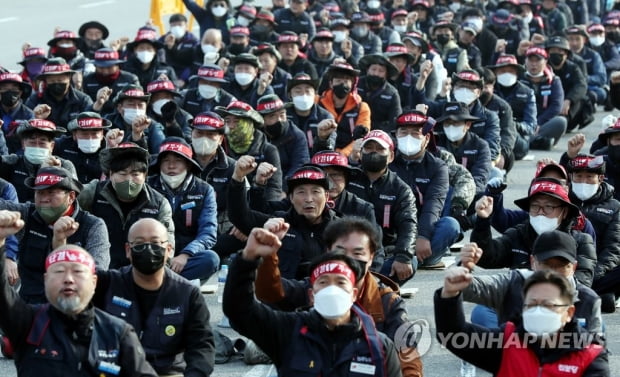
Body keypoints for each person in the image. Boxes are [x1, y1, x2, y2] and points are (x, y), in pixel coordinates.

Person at [254, 216, 422, 377]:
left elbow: (408, 359)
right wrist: (268, 254)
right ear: (328, 252)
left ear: (371, 257)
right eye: (340, 252)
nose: (348, 260)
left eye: (358, 253)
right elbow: (269, 292)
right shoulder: (314, 288)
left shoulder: (388, 302)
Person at [224, 233, 403, 377]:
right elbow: (239, 310)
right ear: (312, 294)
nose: (332, 289)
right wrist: (248, 259)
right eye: (323, 282)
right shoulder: (288, 330)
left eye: (341, 282)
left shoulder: (378, 346)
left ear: (353, 294)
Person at [0, 222, 158, 377]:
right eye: (60, 271)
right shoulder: (29, 323)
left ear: (94, 282)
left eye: (77, 272)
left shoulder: (117, 333)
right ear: (46, 280)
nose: (68, 279)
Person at [93, 218, 215, 376]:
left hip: (167, 372)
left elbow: (202, 345)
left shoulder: (187, 293)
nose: (148, 249)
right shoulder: (107, 284)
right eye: (139, 243)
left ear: (169, 249)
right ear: (128, 250)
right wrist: (60, 242)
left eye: (155, 242)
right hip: (117, 371)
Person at [435, 268, 608, 376]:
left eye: (548, 305)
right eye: (531, 304)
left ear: (569, 312)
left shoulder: (590, 355)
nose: (538, 311)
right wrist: (449, 294)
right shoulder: (507, 342)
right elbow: (453, 335)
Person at [0, 166, 110, 304]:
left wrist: (61, 243)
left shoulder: (93, 226)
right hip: (27, 308)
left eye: (51, 192)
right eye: (39, 193)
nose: (44, 199)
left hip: (71, 307)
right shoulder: (27, 214)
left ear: (71, 197)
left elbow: (96, 274)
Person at [460, 230, 603, 335]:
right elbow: (465, 289)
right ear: (533, 262)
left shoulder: (588, 299)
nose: (553, 272)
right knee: (481, 313)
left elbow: (597, 357)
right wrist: (463, 268)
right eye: (546, 264)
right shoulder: (513, 282)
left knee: (600, 328)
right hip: (518, 358)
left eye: (561, 265)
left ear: (574, 267)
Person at [471, 177, 597, 287]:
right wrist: (483, 220)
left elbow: (583, 283)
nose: (540, 212)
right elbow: (487, 258)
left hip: (562, 305)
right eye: (535, 206)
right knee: (482, 312)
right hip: (519, 303)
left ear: (564, 212)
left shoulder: (581, 241)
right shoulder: (518, 234)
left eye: (548, 207)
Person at [228, 164, 338, 279]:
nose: (309, 199)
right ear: (291, 198)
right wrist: (238, 178)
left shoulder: (340, 229)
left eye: (315, 192)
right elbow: (240, 216)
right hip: (282, 293)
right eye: (301, 192)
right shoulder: (278, 224)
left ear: (326, 196)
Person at [78, 142, 175, 269]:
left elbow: (167, 244)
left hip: (140, 270)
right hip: (98, 267)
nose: (129, 180)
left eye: (135, 174)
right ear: (111, 174)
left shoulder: (159, 203)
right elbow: (68, 199)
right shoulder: (93, 192)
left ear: (145, 176)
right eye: (123, 174)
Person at [389, 110, 461, 269]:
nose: (409, 137)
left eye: (416, 133)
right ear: (396, 135)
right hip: (391, 229)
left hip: (422, 228)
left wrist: (423, 235)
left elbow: (433, 205)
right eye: (404, 132)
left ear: (427, 138)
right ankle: (400, 257)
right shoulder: (387, 159)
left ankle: (419, 258)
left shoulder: (437, 166)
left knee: (450, 225)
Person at [348, 130, 418, 284]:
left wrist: (403, 256)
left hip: (385, 252)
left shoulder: (401, 189)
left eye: (380, 149)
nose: (374, 153)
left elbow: (408, 224)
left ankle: (374, 290)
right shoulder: (348, 177)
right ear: (360, 153)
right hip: (348, 249)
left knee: (410, 262)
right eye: (369, 148)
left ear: (391, 156)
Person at [147, 137, 220, 281]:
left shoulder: (205, 190)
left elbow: (208, 232)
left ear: (188, 164)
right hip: (154, 252)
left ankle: (161, 281)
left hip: (187, 255)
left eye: (178, 160)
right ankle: (167, 280)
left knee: (211, 259)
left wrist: (186, 254)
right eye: (166, 160)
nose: (171, 166)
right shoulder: (148, 186)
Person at [215, 100, 283, 199]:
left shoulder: (268, 150)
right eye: (227, 121)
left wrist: (268, 211)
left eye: (237, 121)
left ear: (249, 124)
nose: (231, 126)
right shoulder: (220, 149)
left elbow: (274, 188)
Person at [0, 119, 75, 202]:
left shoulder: (64, 166)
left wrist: (52, 174)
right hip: (15, 212)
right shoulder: (12, 162)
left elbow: (73, 198)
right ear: (23, 144)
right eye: (32, 142)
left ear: (52, 146)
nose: (37, 146)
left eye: (42, 143)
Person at [434, 102, 491, 195]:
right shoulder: (436, 142)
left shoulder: (480, 146)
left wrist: (464, 195)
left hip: (471, 192)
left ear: (467, 124)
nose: (451, 127)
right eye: (447, 123)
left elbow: (480, 176)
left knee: (496, 175)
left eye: (456, 123)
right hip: (442, 192)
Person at [489, 54, 537, 161]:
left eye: (510, 71)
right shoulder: (489, 91)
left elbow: (531, 126)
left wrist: (513, 125)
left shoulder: (528, 92)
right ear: (496, 73)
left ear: (516, 73)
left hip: (517, 136)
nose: (506, 74)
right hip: (491, 132)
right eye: (502, 71)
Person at [318, 62, 370, 157]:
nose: (342, 84)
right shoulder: (317, 102)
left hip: (350, 156)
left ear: (352, 84)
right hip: (321, 151)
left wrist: (341, 155)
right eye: (338, 80)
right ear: (331, 83)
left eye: (346, 81)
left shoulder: (362, 107)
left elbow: (362, 137)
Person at [520, 46, 567, 151]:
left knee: (561, 121)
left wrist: (538, 123)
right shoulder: (519, 78)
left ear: (545, 61)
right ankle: (536, 142)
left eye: (537, 60)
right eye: (530, 60)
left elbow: (556, 106)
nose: (534, 64)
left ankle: (526, 142)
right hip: (521, 124)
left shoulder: (554, 80)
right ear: (525, 61)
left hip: (542, 124)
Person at [256, 94, 309, 186]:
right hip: (260, 182)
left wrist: (285, 189)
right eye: (272, 116)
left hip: (289, 185)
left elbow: (300, 165)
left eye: (282, 114)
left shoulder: (297, 135)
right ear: (262, 120)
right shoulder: (255, 135)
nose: (279, 120)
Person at [25, 58, 93, 129]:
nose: (57, 83)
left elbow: (92, 124)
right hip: (45, 138)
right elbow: (24, 127)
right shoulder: (35, 99)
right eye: (52, 80)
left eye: (60, 80)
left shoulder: (83, 99)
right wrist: (35, 118)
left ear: (69, 78)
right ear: (46, 81)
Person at [545, 36, 590, 132]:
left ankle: (565, 123)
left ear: (566, 54)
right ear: (548, 53)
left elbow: (581, 85)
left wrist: (569, 100)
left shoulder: (573, 68)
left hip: (567, 107)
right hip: (547, 103)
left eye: (560, 50)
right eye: (553, 50)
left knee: (584, 98)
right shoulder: (543, 68)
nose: (556, 53)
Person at [105, 84, 166, 154]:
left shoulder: (153, 126)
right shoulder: (108, 122)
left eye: (140, 105)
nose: (136, 109)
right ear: (119, 108)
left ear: (146, 108)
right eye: (131, 104)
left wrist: (138, 138)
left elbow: (160, 155)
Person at [53, 111, 111, 184]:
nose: (90, 138)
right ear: (74, 135)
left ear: (102, 134)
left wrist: (113, 147)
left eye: (94, 134)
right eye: (85, 134)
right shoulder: (62, 145)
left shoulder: (109, 148)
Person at [285, 73, 335, 155]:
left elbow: (329, 148)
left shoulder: (325, 117)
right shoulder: (283, 115)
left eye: (308, 91)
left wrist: (322, 139)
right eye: (298, 91)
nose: (303, 95)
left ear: (315, 94)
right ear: (290, 94)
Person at [81, 48, 140, 117]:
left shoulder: (130, 79)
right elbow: (83, 107)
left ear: (117, 65)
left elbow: (139, 102)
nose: (105, 71)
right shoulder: (87, 80)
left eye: (109, 67)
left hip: (122, 118)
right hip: (95, 118)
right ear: (95, 66)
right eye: (101, 67)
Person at [357, 54, 402, 133]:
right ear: (367, 69)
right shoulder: (356, 84)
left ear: (386, 74)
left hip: (379, 132)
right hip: (354, 127)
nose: (376, 74)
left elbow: (395, 121)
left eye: (381, 71)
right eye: (373, 69)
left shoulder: (392, 93)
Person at [566, 26, 608, 107]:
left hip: (588, 87)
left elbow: (601, 77)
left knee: (601, 93)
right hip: (568, 87)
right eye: (571, 39)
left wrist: (583, 79)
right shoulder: (563, 56)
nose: (574, 43)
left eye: (577, 39)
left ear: (584, 40)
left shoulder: (593, 55)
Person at [159, 13, 200, 86]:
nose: (176, 28)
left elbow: (194, 63)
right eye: (173, 25)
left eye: (180, 25)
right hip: (168, 74)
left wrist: (183, 79)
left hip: (186, 75)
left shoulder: (193, 41)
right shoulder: (163, 39)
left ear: (186, 26)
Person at [0, 72, 32, 154]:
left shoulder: (29, 115)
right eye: (5, 89)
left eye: (14, 89)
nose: (9, 92)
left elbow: (30, 143)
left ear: (20, 92)